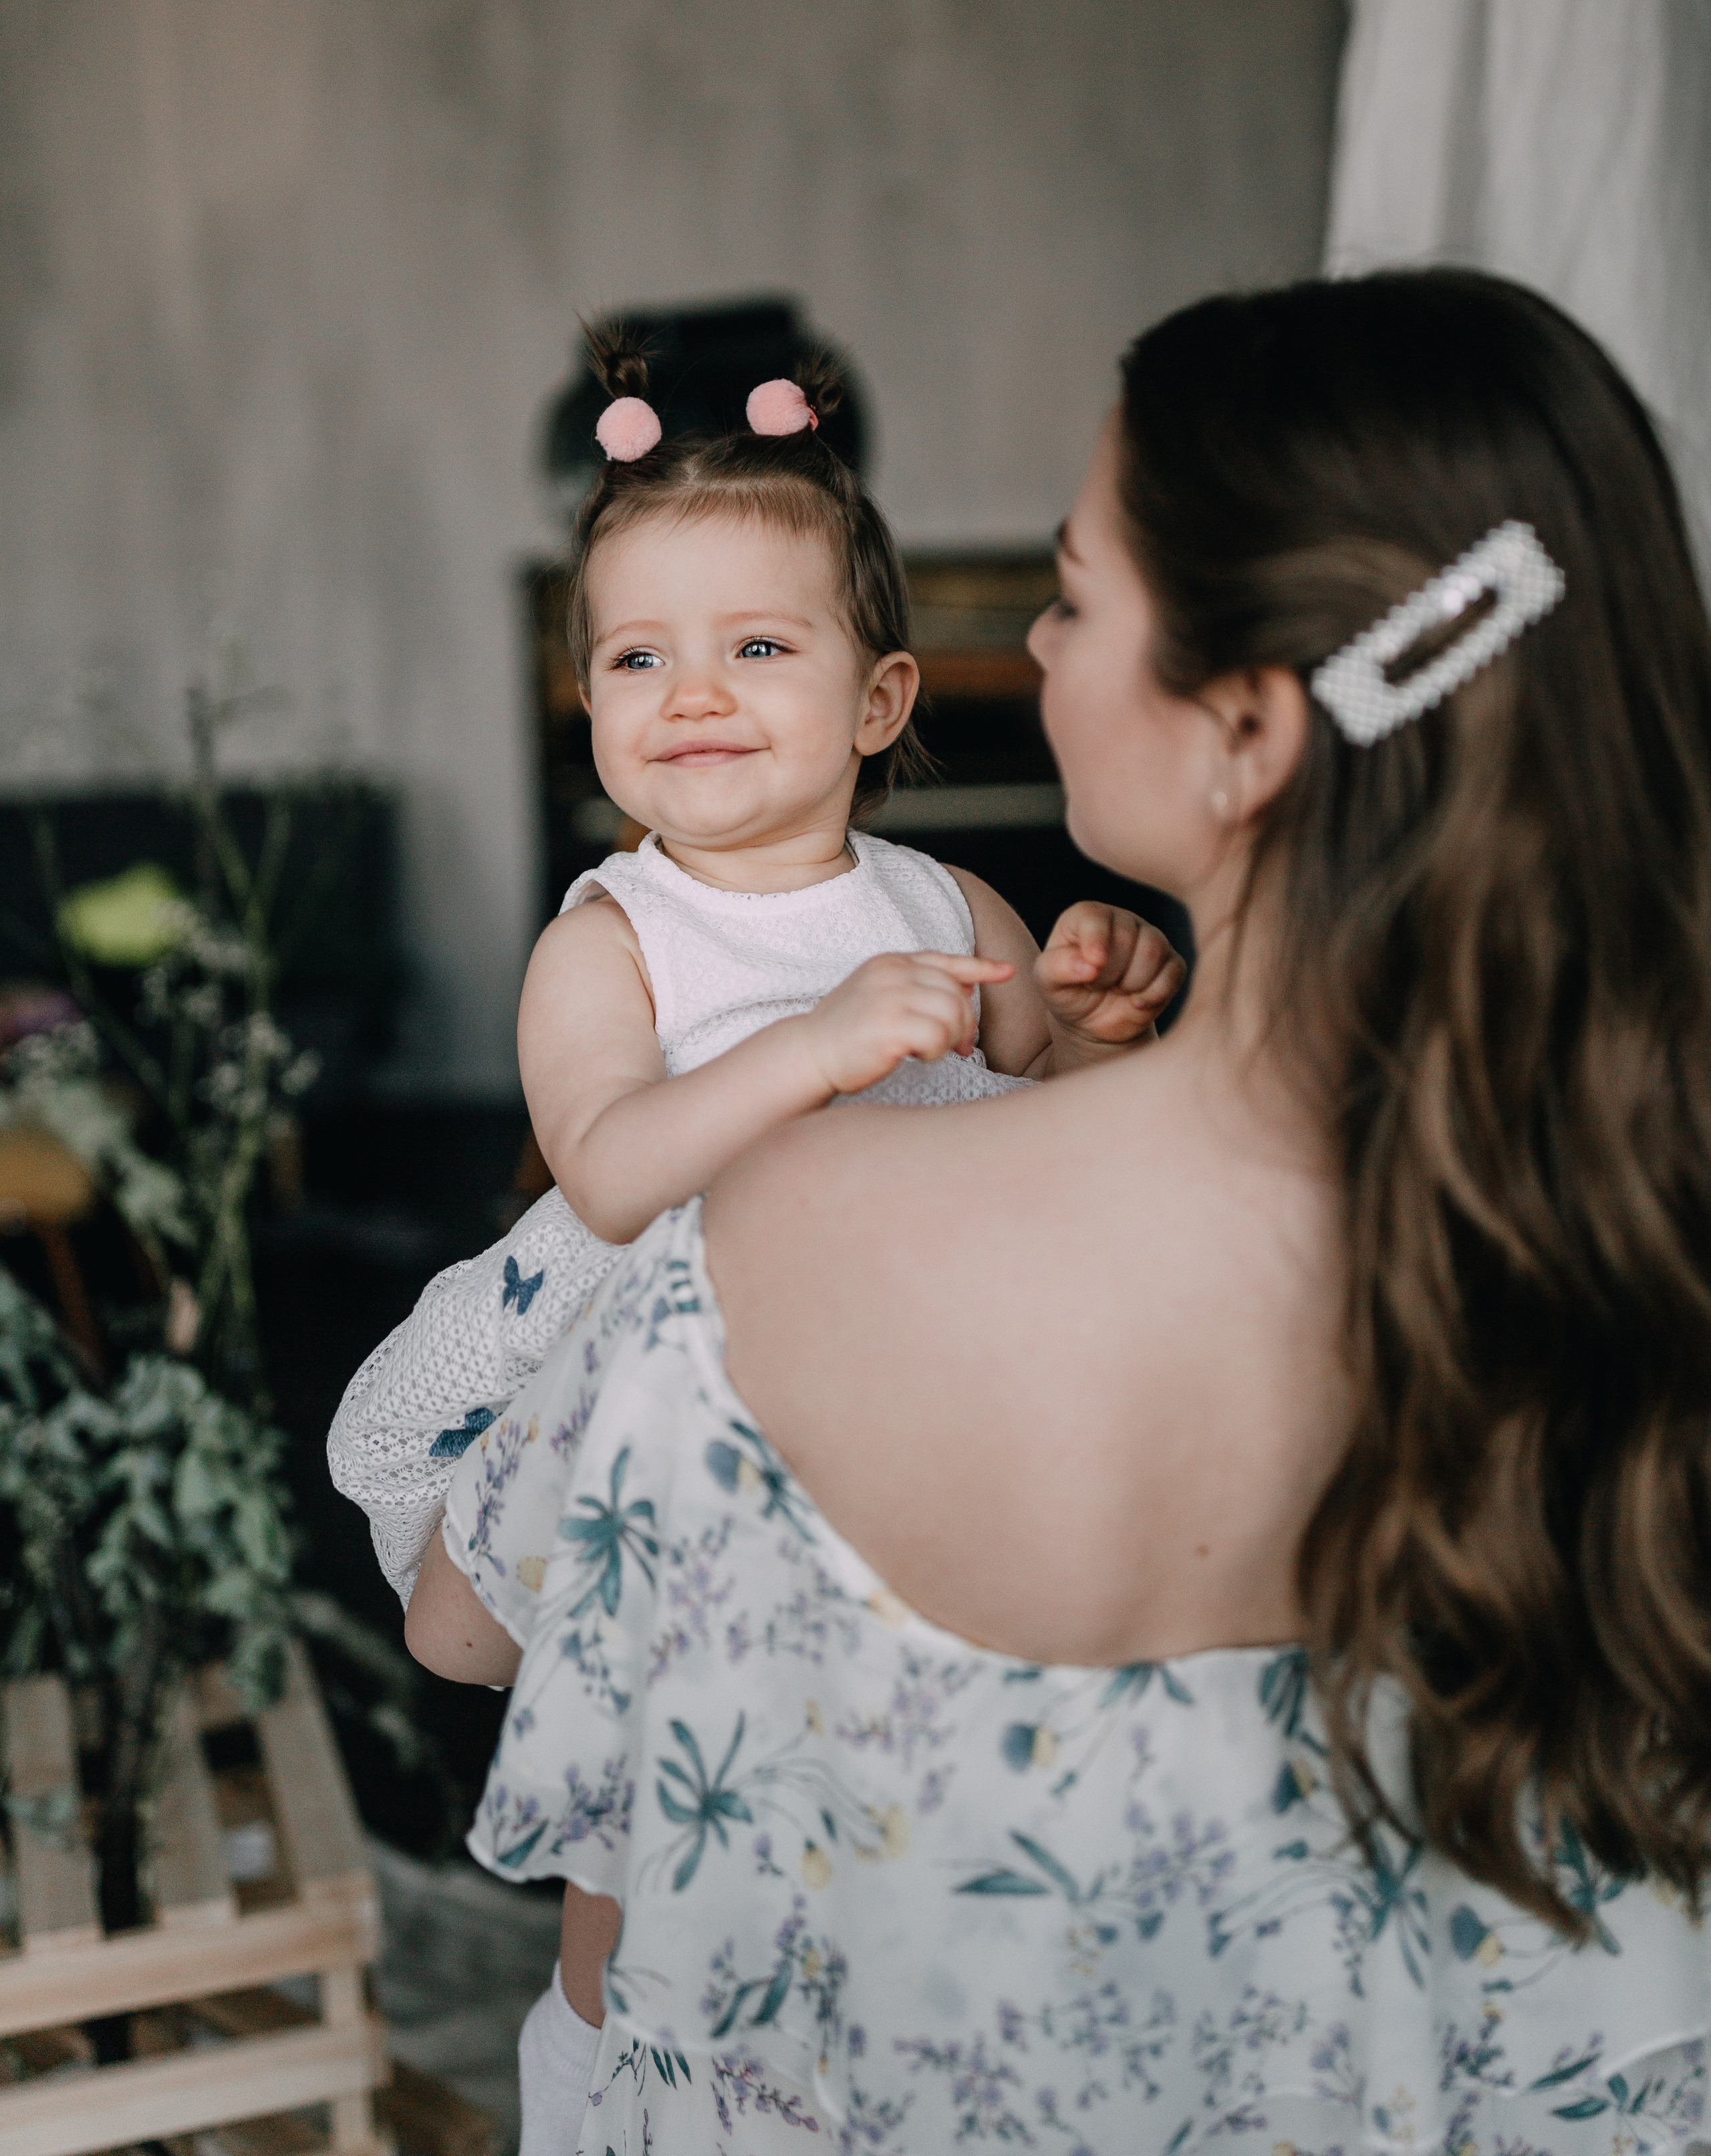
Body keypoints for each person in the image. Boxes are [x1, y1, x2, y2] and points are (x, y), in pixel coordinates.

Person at [406, 269, 1711, 2154]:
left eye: (1076, 594)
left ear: (1249, 726)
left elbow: (471, 1631)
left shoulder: (778, 1243)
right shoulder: (1620, 1257)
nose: (1032, 635)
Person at [328, 330, 1181, 2149]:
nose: (693, 694)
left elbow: (1065, 1113)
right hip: (664, 1407)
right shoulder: (609, 943)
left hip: (904, 1405)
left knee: (841, 1782)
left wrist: (1103, 1019)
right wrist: (812, 1046)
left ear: (880, 701)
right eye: (640, 657)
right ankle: (609, 2084)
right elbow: (611, 1167)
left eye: (760, 649)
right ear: (586, 697)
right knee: (649, 1785)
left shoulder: (949, 902)